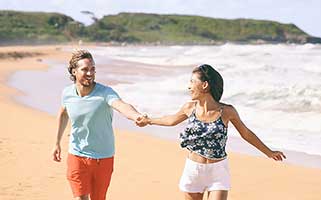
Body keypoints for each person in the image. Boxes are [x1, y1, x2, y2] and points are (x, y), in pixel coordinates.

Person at [136, 64, 286, 200]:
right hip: (193, 171)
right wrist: (148, 120)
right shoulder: (190, 108)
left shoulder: (226, 111)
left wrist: (269, 152)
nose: (189, 87)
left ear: (205, 85)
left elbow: (245, 133)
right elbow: (170, 120)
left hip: (218, 171)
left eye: (192, 82)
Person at [52, 50, 144, 200]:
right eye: (85, 69)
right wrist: (57, 143)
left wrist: (136, 116)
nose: (90, 73)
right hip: (77, 154)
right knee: (80, 197)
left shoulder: (105, 92)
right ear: (74, 71)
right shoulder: (67, 93)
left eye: (93, 69)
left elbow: (121, 105)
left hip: (103, 157)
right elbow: (63, 113)